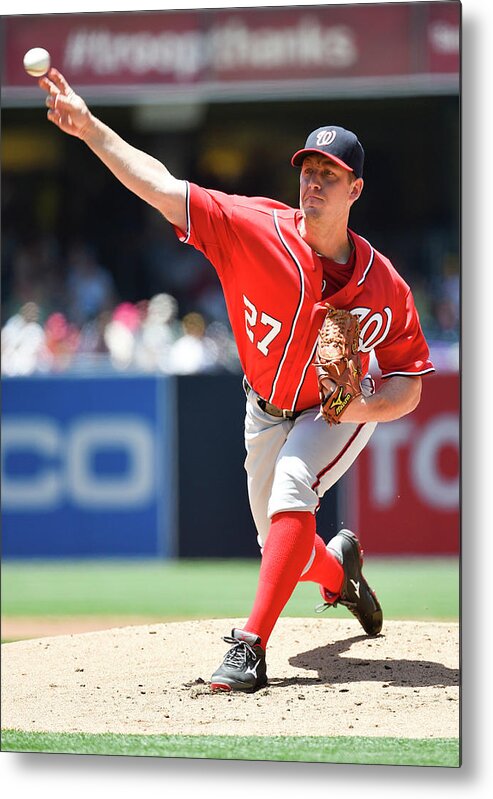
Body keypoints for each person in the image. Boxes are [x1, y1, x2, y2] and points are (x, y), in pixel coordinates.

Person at [39, 69, 434, 693]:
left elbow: (410, 383)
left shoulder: (384, 284)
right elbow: (163, 189)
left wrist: (361, 407)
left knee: (294, 487)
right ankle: (342, 573)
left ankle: (248, 647)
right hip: (263, 407)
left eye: (329, 174)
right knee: (289, 548)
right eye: (308, 169)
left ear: (355, 188)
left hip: (330, 412)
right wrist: (89, 129)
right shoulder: (252, 227)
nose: (313, 182)